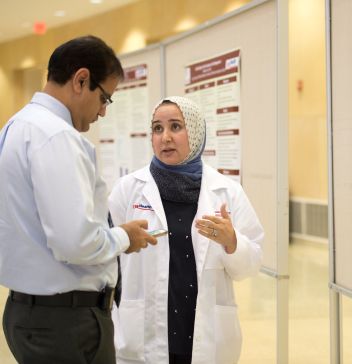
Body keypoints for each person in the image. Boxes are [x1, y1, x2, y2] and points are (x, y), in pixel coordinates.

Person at [0, 35, 158, 364]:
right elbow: (75, 243)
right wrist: (123, 237)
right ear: (81, 79)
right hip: (65, 323)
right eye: (104, 99)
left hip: (30, 314)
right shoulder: (56, 136)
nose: (102, 112)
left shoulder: (15, 127)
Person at [108, 96, 264, 364]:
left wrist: (232, 242)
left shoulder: (227, 192)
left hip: (206, 335)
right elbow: (108, 260)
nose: (165, 137)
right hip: (143, 334)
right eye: (157, 128)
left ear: (195, 131)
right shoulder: (128, 189)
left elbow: (249, 267)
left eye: (175, 127)